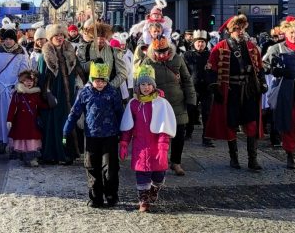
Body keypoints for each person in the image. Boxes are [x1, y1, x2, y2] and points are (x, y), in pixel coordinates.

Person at [206, 14, 267, 171]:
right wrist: (215, 87)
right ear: (230, 31)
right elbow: (211, 69)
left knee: (251, 123)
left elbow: (259, 68)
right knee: (231, 123)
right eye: (236, 29)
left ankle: (252, 160)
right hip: (230, 91)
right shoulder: (220, 47)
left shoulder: (252, 47)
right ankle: (234, 158)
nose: (239, 32)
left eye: (241, 29)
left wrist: (263, 82)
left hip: (248, 90)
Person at [63, 59, 123, 208]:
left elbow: (120, 113)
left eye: (103, 81)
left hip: (109, 135)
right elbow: (75, 112)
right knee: (92, 167)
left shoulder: (113, 93)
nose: (100, 84)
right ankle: (96, 197)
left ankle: (111, 195)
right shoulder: (85, 93)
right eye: (97, 81)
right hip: (91, 136)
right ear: (91, 79)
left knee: (110, 168)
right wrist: (66, 130)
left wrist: (123, 133)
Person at [119, 64, 176, 212]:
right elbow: (128, 126)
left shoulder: (161, 104)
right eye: (143, 84)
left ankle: (154, 189)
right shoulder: (134, 104)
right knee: (142, 173)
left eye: (149, 84)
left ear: (154, 86)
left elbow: (165, 127)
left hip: (157, 145)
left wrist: (163, 148)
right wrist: (124, 142)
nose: (146, 87)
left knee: (158, 174)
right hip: (140, 146)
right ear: (138, 86)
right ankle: (143, 199)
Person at [263, 16, 295, 169]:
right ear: (285, 32)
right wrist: (275, 69)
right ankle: (290, 154)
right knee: (288, 122)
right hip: (286, 90)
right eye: (291, 32)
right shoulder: (276, 48)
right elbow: (263, 64)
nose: (294, 35)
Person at [141, 35, 196, 176]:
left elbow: (187, 80)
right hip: (157, 104)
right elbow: (141, 82)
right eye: (159, 52)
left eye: (164, 51)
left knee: (179, 134)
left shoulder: (177, 59)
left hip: (178, 103)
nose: (162, 54)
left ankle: (176, 162)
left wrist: (191, 100)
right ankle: (159, 161)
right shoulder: (147, 62)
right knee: (158, 135)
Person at [39, 24, 84, 164]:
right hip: (54, 95)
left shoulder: (70, 52)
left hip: (69, 96)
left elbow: (80, 70)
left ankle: (67, 152)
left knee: (68, 123)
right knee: (54, 125)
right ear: (50, 38)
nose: (59, 38)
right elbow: (41, 78)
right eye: (56, 36)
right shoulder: (44, 55)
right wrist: (46, 94)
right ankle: (54, 154)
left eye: (61, 35)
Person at [0, 24, 29, 154]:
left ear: (14, 40)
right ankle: (2, 141)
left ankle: (13, 143)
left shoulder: (20, 54)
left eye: (11, 39)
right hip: (0, 89)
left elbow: (24, 71)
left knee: (14, 117)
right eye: (6, 39)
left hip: (13, 89)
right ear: (3, 40)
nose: (8, 41)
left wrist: (17, 86)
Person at [6, 70, 45, 167]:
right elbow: (12, 107)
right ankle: (25, 157)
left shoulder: (35, 93)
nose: (29, 83)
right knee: (23, 141)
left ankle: (32, 158)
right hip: (20, 122)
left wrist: (51, 104)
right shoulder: (17, 94)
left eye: (31, 81)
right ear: (22, 81)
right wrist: (9, 120)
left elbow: (41, 105)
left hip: (31, 123)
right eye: (26, 81)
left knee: (32, 141)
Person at [184, 30, 214, 147]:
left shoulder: (211, 55)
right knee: (191, 111)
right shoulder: (187, 55)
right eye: (198, 42)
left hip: (207, 88)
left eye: (202, 42)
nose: (200, 44)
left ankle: (206, 137)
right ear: (194, 43)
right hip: (192, 88)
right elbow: (184, 72)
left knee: (207, 113)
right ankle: (188, 131)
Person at [77, 22, 127, 89]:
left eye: (103, 38)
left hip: (108, 93)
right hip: (89, 91)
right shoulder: (84, 49)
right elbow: (79, 69)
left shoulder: (114, 51)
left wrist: (110, 87)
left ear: (106, 38)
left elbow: (122, 73)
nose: (100, 40)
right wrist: (92, 63)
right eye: (97, 38)